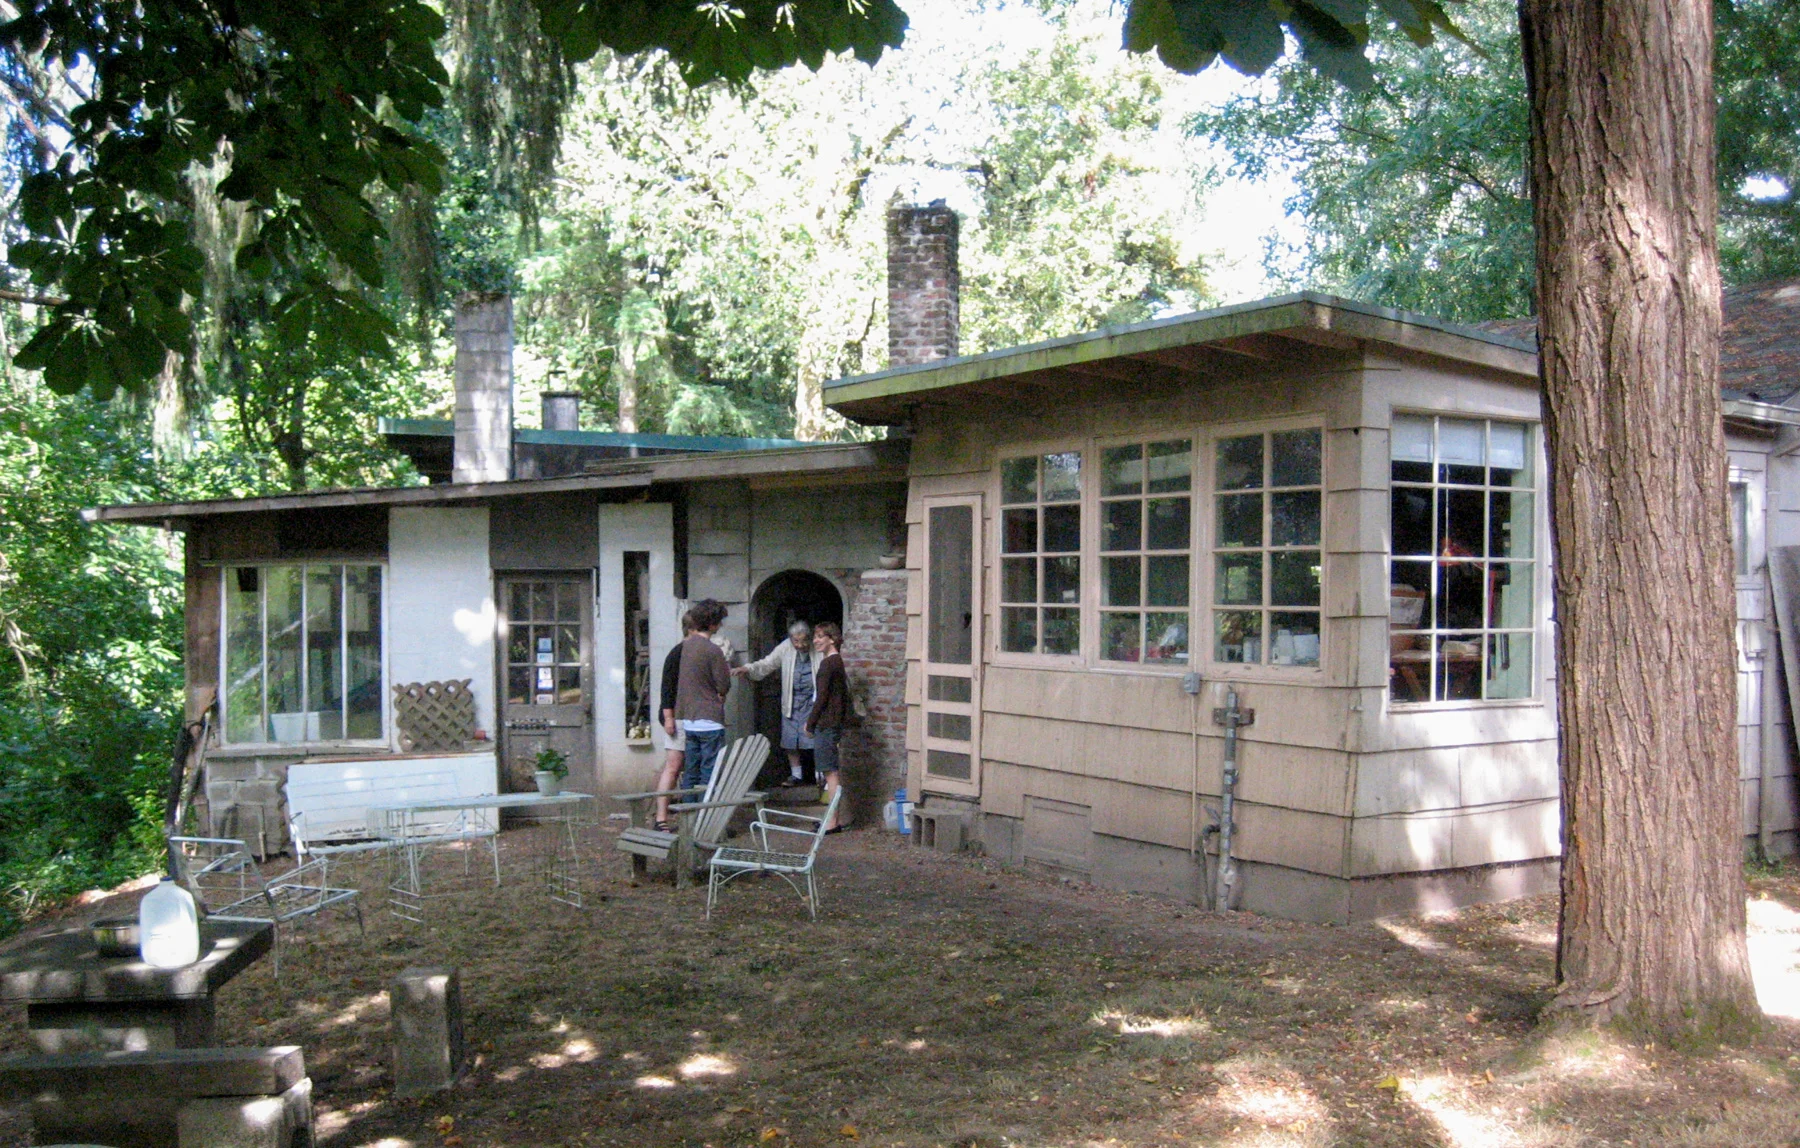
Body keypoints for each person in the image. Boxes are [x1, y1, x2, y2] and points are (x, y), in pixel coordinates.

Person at [733, 619, 816, 787]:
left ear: (809, 637)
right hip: (791, 702)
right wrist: (748, 668)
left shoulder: (817, 646)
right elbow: (768, 663)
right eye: (796, 641)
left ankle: (819, 777)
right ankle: (796, 775)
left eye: (803, 641)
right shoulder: (785, 647)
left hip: (813, 702)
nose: (800, 645)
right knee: (790, 741)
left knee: (815, 741)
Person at [673, 598, 733, 797]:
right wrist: (720, 693)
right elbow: (724, 684)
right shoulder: (713, 650)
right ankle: (705, 818)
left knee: (691, 771)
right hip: (710, 719)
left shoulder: (684, 648)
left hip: (689, 719)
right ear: (713, 624)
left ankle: (689, 816)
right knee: (709, 772)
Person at [651, 611, 695, 832]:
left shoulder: (698, 652)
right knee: (673, 766)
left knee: (692, 768)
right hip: (677, 716)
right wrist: (669, 717)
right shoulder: (677, 653)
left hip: (694, 716)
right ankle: (661, 818)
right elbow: (667, 688)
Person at [804, 621, 849, 833]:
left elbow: (821, 698)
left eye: (821, 636)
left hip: (827, 723)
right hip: (832, 723)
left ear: (832, 639)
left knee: (830, 772)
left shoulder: (828, 664)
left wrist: (810, 723)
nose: (815, 640)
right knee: (830, 771)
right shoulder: (836, 662)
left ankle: (832, 822)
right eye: (815, 636)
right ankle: (832, 818)